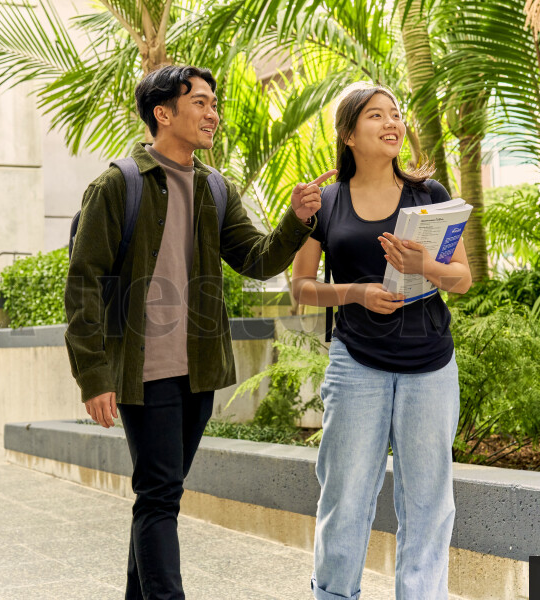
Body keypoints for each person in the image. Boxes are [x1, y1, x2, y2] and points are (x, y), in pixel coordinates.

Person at [65, 64, 336, 600]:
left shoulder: (215, 188)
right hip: (143, 371)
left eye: (215, 104)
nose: (213, 114)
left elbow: (256, 260)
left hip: (199, 370)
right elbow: (83, 286)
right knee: (160, 496)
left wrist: (296, 219)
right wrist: (93, 375)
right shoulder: (118, 186)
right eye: (200, 104)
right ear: (162, 113)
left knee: (158, 495)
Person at [291, 82, 472, 600]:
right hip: (356, 364)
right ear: (348, 133)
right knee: (345, 494)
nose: (392, 123)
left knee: (428, 501)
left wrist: (425, 267)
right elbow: (300, 287)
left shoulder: (429, 197)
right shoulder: (325, 203)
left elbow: (462, 279)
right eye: (376, 116)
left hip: (430, 362)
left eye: (395, 115)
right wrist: (356, 293)